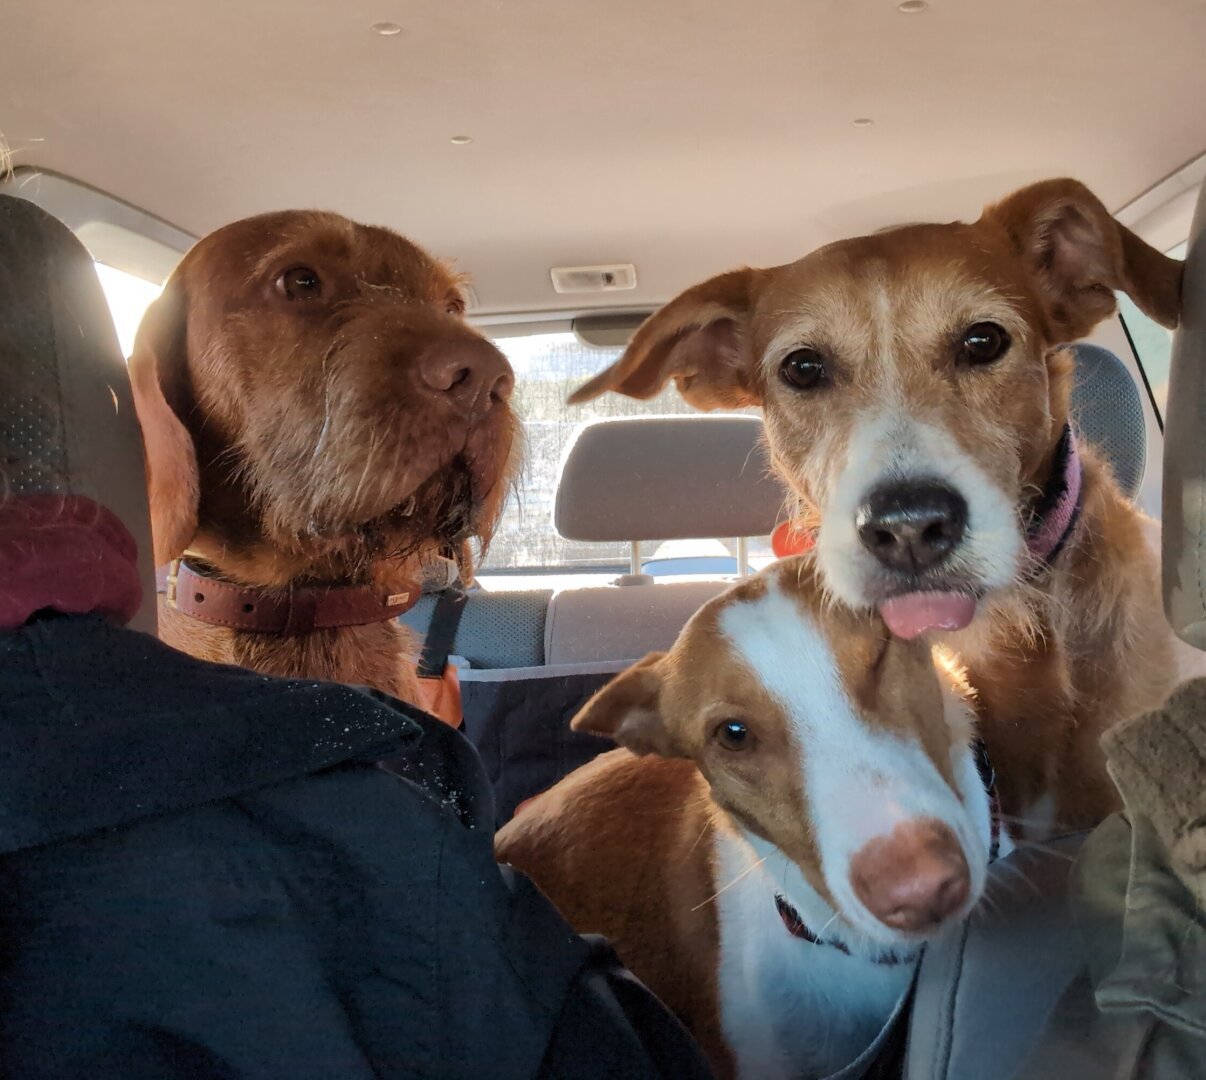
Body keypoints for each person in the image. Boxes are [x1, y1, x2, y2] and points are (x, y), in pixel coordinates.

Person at [0, 193, 712, 1079]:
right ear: (162, 385)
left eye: (449, 309)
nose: (475, 366)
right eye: (301, 285)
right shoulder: (90, 724)